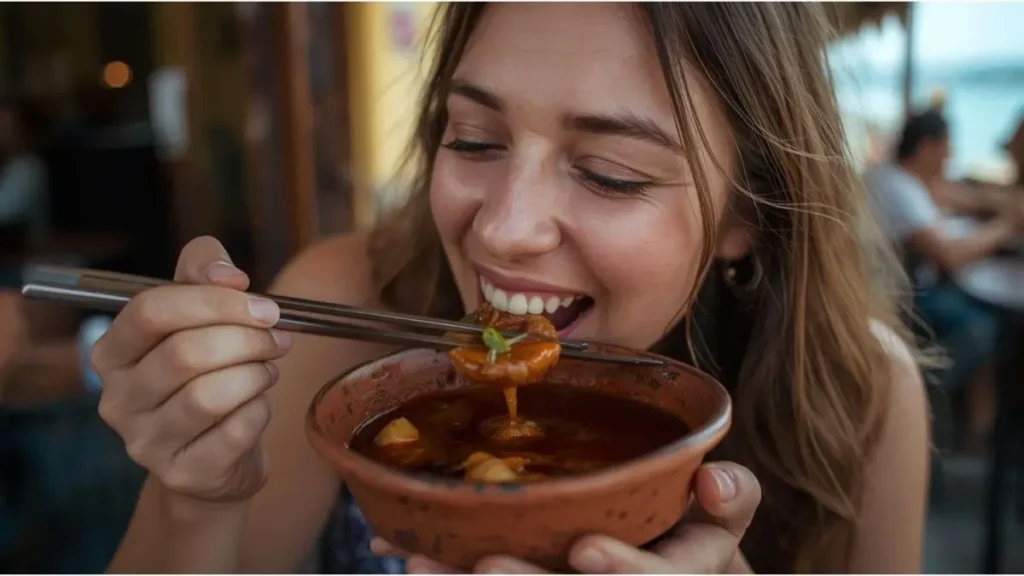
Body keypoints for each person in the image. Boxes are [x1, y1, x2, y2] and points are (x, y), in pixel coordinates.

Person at [94, 4, 929, 574]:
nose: (501, 229)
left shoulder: (861, 394)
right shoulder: (338, 308)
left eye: (609, 174)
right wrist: (196, 489)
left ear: (744, 213)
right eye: (475, 140)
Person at [864, 110, 1022, 450]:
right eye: (946, 148)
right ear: (926, 148)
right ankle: (920, 397)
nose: (950, 156)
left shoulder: (904, 180)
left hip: (910, 287)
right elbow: (948, 256)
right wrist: (1008, 226)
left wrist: (999, 206)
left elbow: (960, 196)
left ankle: (977, 429)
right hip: (907, 296)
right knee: (984, 329)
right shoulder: (897, 187)